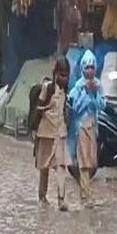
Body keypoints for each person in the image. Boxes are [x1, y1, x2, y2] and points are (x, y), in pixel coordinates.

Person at [67, 50, 105, 208]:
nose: (90, 70)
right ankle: (85, 195)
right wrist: (86, 93)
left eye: (92, 67)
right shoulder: (77, 87)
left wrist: (94, 93)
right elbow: (75, 107)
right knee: (83, 162)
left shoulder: (98, 85)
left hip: (93, 126)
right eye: (87, 67)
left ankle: (84, 189)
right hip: (81, 127)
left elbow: (101, 106)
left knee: (92, 162)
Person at [35, 56, 71, 211]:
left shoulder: (66, 89)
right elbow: (38, 108)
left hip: (60, 133)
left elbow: (64, 110)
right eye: (61, 74)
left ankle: (61, 199)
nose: (63, 78)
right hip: (45, 132)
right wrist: (34, 130)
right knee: (44, 167)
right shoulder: (47, 88)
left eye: (66, 75)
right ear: (55, 73)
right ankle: (42, 197)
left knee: (61, 166)